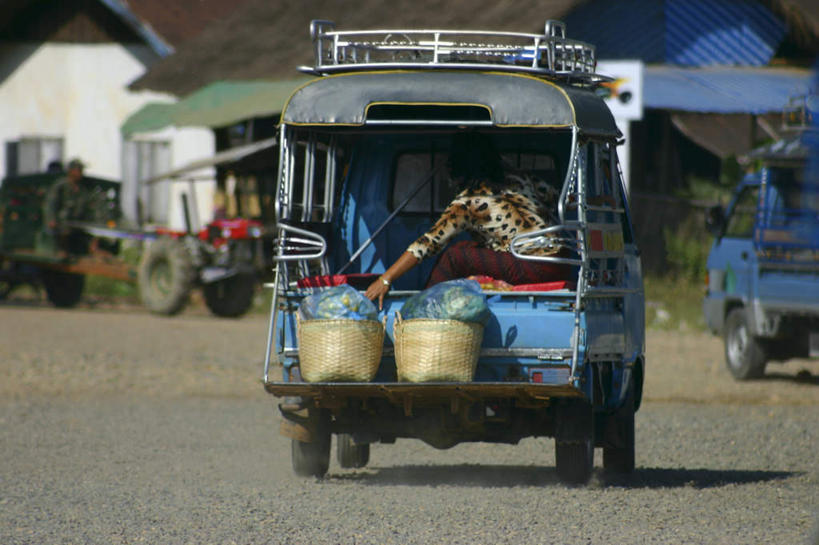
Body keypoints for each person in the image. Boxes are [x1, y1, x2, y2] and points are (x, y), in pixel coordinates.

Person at [365, 132, 570, 308]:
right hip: (561, 260)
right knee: (466, 245)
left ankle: (425, 308)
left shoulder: (467, 203)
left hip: (531, 268)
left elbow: (427, 243)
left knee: (454, 255)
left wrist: (385, 279)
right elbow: (561, 198)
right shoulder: (521, 177)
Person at [45, 158, 93, 255]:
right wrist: (51, 219)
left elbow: (86, 206)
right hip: (62, 222)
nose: (80, 173)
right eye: (78, 170)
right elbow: (51, 203)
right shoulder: (61, 186)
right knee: (64, 229)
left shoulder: (82, 189)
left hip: (77, 223)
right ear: (71, 171)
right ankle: (61, 249)